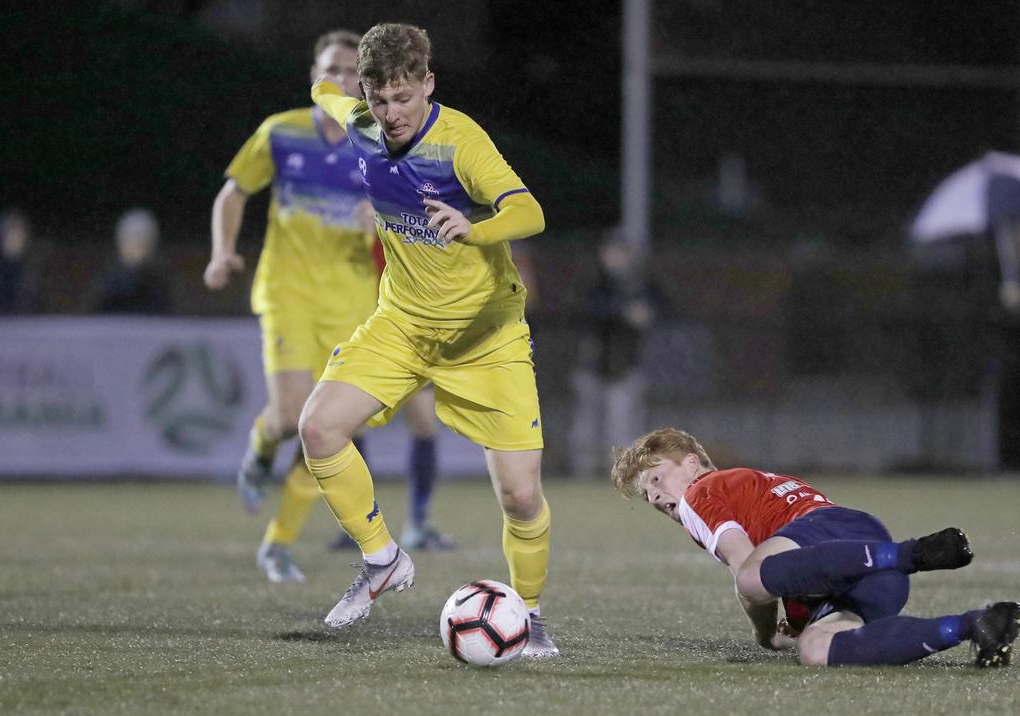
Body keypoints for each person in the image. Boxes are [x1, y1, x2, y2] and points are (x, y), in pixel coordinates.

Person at [303, 22, 557, 657]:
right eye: (380, 100)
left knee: (522, 497)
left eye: (405, 99)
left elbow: (531, 212)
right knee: (318, 428)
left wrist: (473, 228)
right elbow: (324, 93)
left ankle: (527, 616)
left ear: (429, 85)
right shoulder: (361, 121)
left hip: (485, 334)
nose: (392, 115)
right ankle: (383, 559)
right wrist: (329, 86)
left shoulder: (460, 140)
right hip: (404, 325)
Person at [204, 29, 450, 585]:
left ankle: (278, 543)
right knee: (290, 416)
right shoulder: (281, 133)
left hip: (353, 301)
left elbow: (425, 225)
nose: (337, 80)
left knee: (327, 426)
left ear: (362, 87)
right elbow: (235, 191)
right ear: (315, 77)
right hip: (287, 292)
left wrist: (382, 221)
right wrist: (222, 252)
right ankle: (261, 446)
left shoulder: (385, 146)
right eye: (329, 70)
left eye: (348, 73)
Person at [611, 427, 1020, 668]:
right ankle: (974, 625)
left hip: (839, 539)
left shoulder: (702, 493)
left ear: (692, 463)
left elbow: (746, 571)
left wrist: (766, 635)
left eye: (656, 480)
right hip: (859, 565)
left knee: (752, 579)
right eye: (647, 496)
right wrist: (798, 618)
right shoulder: (745, 484)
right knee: (816, 649)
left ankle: (913, 554)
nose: (655, 499)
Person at [569, 229, 661, 477]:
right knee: (587, 427)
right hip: (593, 364)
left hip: (625, 366)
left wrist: (641, 313)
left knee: (623, 425)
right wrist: (624, 312)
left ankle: (622, 475)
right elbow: (589, 311)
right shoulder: (596, 284)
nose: (616, 257)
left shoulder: (641, 284)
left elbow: (660, 309)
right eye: (612, 251)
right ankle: (583, 475)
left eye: (622, 252)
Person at [88, 208, 174, 314]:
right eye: (131, 241)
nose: (137, 249)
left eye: (143, 243)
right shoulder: (108, 286)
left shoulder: (162, 285)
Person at [0, 208, 38, 314]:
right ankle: (3, 307)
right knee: (3, 286)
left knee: (17, 285)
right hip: (4, 261)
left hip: (17, 261)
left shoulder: (21, 226)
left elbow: (25, 243)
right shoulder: (4, 225)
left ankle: (15, 308)